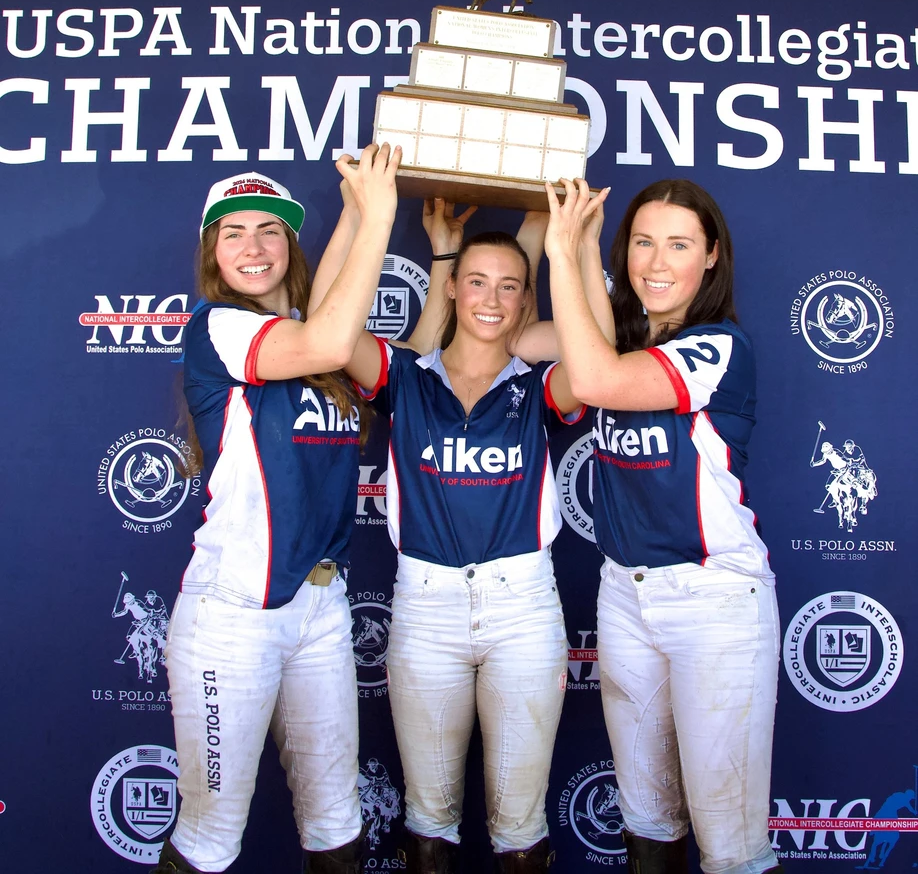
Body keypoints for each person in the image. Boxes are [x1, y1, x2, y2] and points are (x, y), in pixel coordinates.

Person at [153, 145, 399, 874]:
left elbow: (323, 322)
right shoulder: (218, 328)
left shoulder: (306, 341)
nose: (254, 247)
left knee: (337, 827)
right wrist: (380, 214)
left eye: (270, 231)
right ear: (212, 254)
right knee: (209, 838)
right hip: (234, 614)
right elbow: (326, 331)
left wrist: (356, 210)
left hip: (319, 610)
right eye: (234, 233)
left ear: (290, 246)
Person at [539, 177, 783, 874]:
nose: (655, 261)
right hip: (625, 592)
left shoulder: (718, 347)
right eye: (642, 242)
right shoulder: (621, 339)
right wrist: (582, 247)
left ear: (711, 258)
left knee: (730, 845)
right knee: (646, 820)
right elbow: (539, 342)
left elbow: (596, 382)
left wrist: (564, 249)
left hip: (714, 599)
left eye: (678, 244)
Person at [338, 210, 591, 873]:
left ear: (525, 299)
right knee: (429, 823)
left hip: (524, 610)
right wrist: (371, 211)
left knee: (520, 827)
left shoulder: (542, 384)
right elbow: (333, 337)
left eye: (510, 286)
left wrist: (563, 236)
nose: (492, 299)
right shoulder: (404, 379)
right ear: (451, 288)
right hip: (426, 608)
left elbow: (598, 360)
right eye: (477, 282)